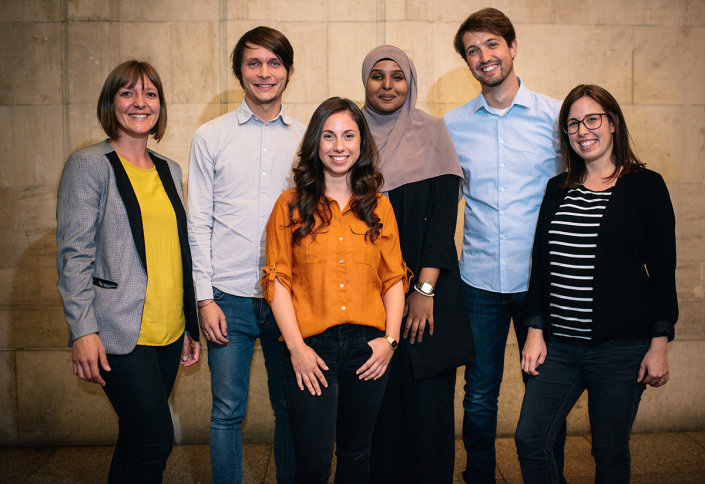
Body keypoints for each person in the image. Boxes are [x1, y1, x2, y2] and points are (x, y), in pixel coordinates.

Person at [514, 84, 678, 484]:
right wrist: (535, 330)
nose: (583, 130)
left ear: (613, 124)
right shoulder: (558, 188)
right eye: (573, 123)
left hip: (621, 349)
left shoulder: (646, 186)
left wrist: (659, 343)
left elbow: (663, 270)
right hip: (559, 346)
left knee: (608, 450)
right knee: (530, 440)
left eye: (592, 119)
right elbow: (543, 264)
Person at [56, 60, 201, 483]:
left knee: (135, 438)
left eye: (150, 94)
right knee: (156, 442)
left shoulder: (169, 169)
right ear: (111, 102)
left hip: (169, 329)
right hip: (118, 332)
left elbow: (176, 251)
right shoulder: (89, 165)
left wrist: (189, 324)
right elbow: (73, 255)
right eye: (128, 93)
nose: (141, 102)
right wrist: (83, 331)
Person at [443, 8, 568, 483]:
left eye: (492, 44)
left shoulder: (556, 117)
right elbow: (445, 201)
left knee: (547, 388)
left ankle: (547, 473)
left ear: (512, 48)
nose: (484, 56)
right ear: (467, 63)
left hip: (544, 281)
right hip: (478, 281)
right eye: (473, 50)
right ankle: (479, 476)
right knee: (478, 393)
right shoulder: (453, 125)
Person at [262, 97, 408, 484]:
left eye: (348, 135)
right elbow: (277, 281)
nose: (339, 146)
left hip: (368, 348)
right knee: (311, 463)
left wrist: (389, 342)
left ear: (361, 144)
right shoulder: (289, 206)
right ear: (315, 143)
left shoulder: (379, 207)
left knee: (357, 456)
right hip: (313, 350)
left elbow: (394, 279)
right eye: (328, 136)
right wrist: (296, 349)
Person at [187, 26, 304, 484]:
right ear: (239, 71)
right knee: (226, 411)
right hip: (227, 297)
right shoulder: (209, 136)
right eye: (253, 63)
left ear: (288, 71)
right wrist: (203, 298)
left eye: (274, 63)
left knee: (291, 408)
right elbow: (197, 223)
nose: (264, 72)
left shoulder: (305, 139)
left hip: (287, 299)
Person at [359, 45, 472, 484]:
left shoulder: (432, 131)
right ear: (365, 81)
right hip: (368, 300)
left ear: (410, 82)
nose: (388, 85)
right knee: (378, 410)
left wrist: (422, 292)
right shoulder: (350, 134)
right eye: (377, 76)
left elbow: (444, 221)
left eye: (397, 76)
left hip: (428, 296)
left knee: (428, 412)